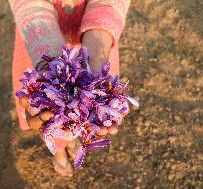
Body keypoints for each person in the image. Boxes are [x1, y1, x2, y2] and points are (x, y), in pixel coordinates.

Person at [8, 0, 130, 177]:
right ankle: (58, 150)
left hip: (95, 45)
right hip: (40, 39)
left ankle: (73, 138)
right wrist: (52, 64)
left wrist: (97, 51)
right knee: (51, 115)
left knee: (73, 119)